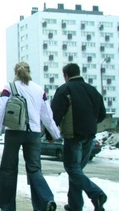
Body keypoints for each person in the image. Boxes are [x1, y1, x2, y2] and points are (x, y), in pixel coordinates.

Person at [0, 61, 60, 211]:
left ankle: (7, 207)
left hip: (14, 132)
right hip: (34, 134)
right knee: (35, 170)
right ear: (30, 72)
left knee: (8, 170)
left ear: (15, 72)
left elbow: (0, 110)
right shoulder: (39, 89)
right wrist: (55, 134)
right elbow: (47, 115)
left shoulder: (9, 87)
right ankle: (46, 201)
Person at [51, 63, 107, 211]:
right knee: (77, 171)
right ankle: (75, 205)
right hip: (90, 136)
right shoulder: (92, 91)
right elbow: (102, 114)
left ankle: (97, 194)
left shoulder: (65, 89)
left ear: (66, 76)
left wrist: (51, 134)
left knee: (72, 169)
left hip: (73, 136)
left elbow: (55, 114)